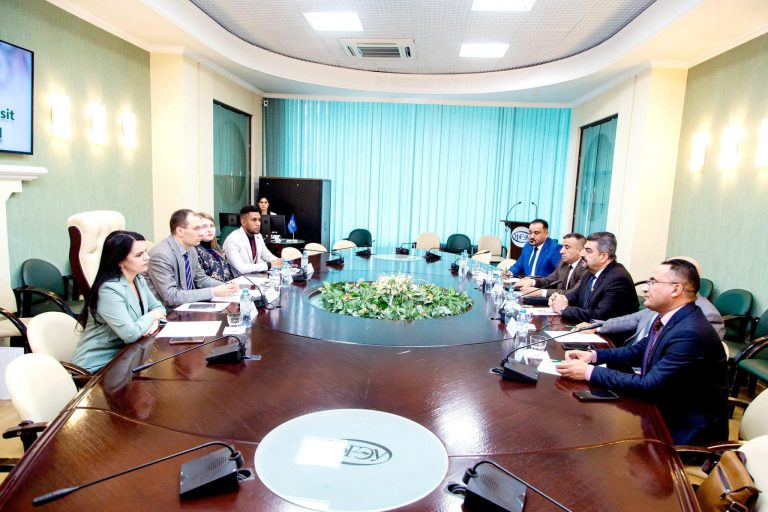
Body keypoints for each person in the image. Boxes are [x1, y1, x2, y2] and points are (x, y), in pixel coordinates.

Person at [556, 259, 729, 445]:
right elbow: (637, 351)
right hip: (660, 410)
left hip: (684, 431)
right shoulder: (672, 318)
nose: (645, 289)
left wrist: (588, 372)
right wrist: (593, 356)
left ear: (676, 289)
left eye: (652, 282)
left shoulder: (689, 332)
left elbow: (649, 384)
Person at [72, 231, 166, 373]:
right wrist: (153, 316)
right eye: (139, 255)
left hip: (127, 356)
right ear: (120, 261)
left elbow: (159, 307)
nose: (147, 257)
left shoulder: (138, 279)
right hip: (99, 366)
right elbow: (130, 334)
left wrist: (155, 318)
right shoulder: (109, 290)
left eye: (145, 251)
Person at [576, 256, 725, 343]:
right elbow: (632, 320)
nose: (645, 289)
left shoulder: (707, 316)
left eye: (653, 282)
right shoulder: (662, 304)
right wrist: (596, 326)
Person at [146, 209, 238, 307]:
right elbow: (172, 297)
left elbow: (201, 279)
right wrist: (213, 292)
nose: (201, 233)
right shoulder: (161, 255)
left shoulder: (191, 249)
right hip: (167, 312)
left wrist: (225, 286)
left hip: (187, 307)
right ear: (180, 231)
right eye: (196, 228)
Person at [548, 231, 638, 322]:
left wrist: (563, 309)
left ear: (603, 257)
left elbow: (598, 316)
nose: (581, 254)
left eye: (588, 250)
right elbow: (574, 296)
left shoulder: (618, 278)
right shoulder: (590, 272)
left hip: (609, 331)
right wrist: (558, 299)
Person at [516, 233, 588, 302]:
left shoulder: (586, 268)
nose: (561, 251)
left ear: (580, 251)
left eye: (567, 247)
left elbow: (572, 294)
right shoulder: (563, 263)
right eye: (562, 247)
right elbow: (549, 280)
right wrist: (532, 282)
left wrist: (540, 292)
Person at [223, 205, 284, 273]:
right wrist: (269, 265)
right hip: (237, 278)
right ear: (243, 222)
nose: (258, 224)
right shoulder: (232, 240)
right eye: (254, 220)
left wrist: (282, 262)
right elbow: (240, 268)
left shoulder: (258, 236)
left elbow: (267, 256)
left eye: (259, 220)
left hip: (253, 276)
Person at [195, 211, 235, 282]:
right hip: (212, 289)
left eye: (212, 226)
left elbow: (229, 274)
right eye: (204, 226)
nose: (210, 230)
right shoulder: (195, 251)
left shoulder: (219, 249)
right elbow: (200, 281)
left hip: (228, 287)